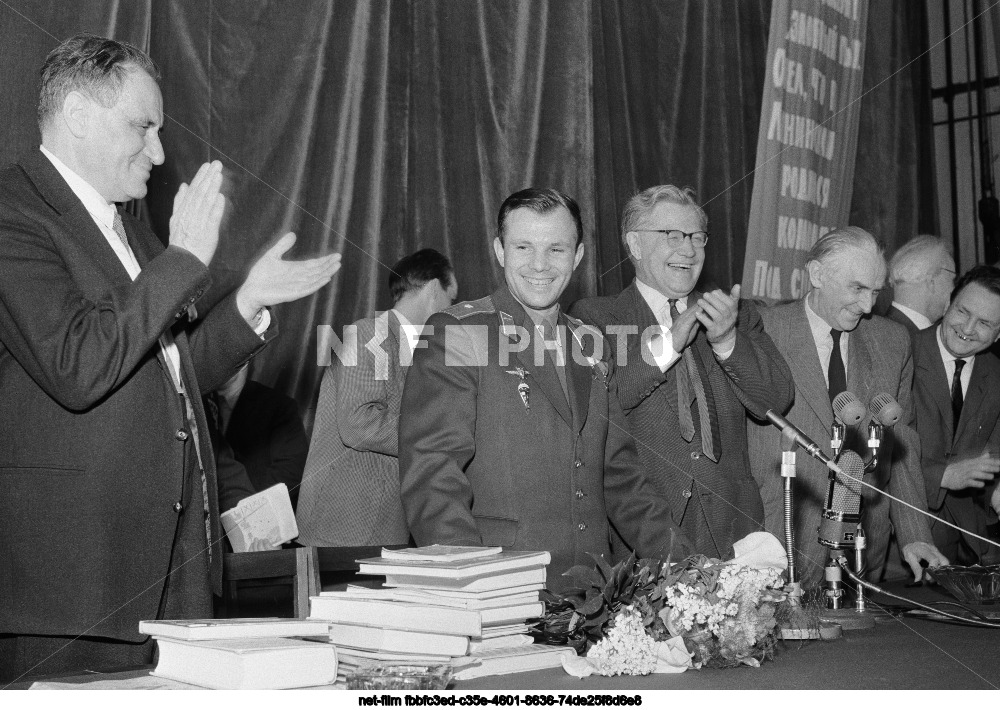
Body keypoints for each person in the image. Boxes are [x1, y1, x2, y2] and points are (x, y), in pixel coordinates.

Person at [0, 34, 340, 680]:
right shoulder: (13, 213)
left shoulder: (129, 230)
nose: (158, 153)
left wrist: (248, 303)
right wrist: (181, 260)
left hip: (171, 577)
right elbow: (77, 364)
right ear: (77, 115)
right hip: (72, 590)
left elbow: (173, 377)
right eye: (143, 127)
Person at [398, 188, 692, 591]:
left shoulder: (590, 343)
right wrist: (474, 587)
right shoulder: (459, 331)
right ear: (500, 251)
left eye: (556, 249)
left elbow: (622, 480)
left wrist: (691, 570)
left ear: (578, 256)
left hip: (593, 595)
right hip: (502, 589)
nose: (540, 264)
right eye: (524, 247)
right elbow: (432, 479)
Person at [570, 185, 794, 559]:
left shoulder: (733, 313)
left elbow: (775, 400)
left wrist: (726, 340)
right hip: (646, 535)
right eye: (672, 236)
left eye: (696, 237)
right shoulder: (594, 317)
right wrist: (670, 344)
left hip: (734, 532)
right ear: (635, 244)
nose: (688, 250)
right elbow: (601, 405)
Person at [748, 227, 947, 588]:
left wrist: (914, 533)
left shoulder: (892, 341)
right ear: (817, 274)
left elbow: (901, 445)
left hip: (861, 552)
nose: (868, 306)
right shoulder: (762, 332)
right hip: (776, 543)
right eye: (857, 289)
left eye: (876, 292)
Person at [297, 248, 457, 546]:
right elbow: (358, 423)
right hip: (344, 530)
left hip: (380, 528)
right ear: (435, 290)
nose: (452, 311)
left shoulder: (413, 349)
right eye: (452, 300)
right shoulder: (369, 333)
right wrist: (434, 437)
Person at [912, 265, 1000, 565]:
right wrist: (944, 476)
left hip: (971, 548)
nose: (968, 328)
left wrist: (996, 491)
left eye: (985, 323)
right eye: (963, 311)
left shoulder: (995, 374)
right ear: (948, 304)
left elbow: (990, 461)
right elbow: (878, 457)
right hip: (901, 547)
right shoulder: (902, 352)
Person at [207, 362, 309, 510]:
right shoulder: (196, 403)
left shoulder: (279, 407)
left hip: (253, 513)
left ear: (246, 362)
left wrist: (244, 504)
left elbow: (291, 471)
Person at [886, 235, 956, 336]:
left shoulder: (885, 332)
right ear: (931, 282)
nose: (954, 289)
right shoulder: (908, 339)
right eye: (952, 280)